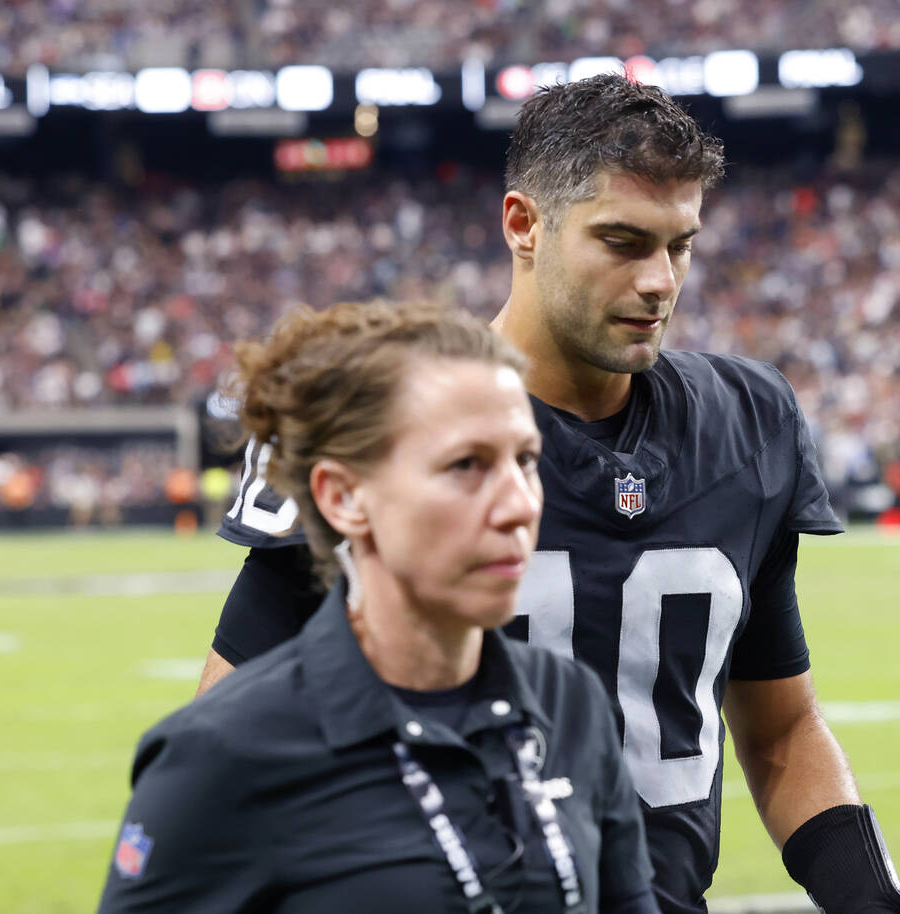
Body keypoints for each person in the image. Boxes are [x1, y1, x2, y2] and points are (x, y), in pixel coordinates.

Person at [205, 75, 900, 914]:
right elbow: (229, 748)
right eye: (622, 241)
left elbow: (782, 728)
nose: (660, 281)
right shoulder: (382, 422)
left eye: (680, 245)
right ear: (523, 225)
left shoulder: (747, 424)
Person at [99, 302, 660, 914]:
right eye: (466, 465)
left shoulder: (570, 704)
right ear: (343, 498)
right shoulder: (220, 754)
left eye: (525, 459)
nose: (520, 505)